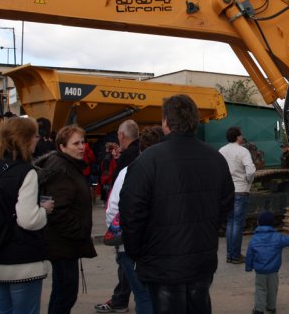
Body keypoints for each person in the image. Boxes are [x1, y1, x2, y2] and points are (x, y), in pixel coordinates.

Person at [120, 94, 235, 314]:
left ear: (166, 122)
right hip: (200, 260)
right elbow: (226, 204)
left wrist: (137, 253)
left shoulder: (146, 161)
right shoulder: (215, 159)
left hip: (162, 265)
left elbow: (131, 214)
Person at [0, 117, 55, 314]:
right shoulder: (26, 172)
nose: (37, 140)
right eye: (35, 136)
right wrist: (44, 210)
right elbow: (28, 219)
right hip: (22, 260)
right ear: (26, 139)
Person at [36, 124, 97, 314]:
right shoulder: (62, 169)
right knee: (65, 294)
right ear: (62, 147)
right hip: (64, 244)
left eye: (83, 142)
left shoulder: (66, 165)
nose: (82, 147)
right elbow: (58, 211)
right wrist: (78, 233)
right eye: (76, 143)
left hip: (65, 243)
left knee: (63, 292)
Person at [104, 126, 165, 314]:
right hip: (164, 247)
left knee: (143, 296)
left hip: (130, 248)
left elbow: (112, 212)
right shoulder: (172, 173)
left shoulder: (128, 172)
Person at [96, 120, 140, 313]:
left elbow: (117, 196)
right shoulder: (138, 153)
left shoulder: (128, 160)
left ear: (121, 136)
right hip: (137, 223)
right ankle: (120, 298)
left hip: (126, 223)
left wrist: (114, 226)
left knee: (126, 263)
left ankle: (120, 300)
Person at [245, 210, 289, 314]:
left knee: (260, 289)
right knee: (272, 289)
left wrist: (248, 267)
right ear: (272, 223)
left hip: (260, 271)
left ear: (258, 223)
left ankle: (258, 309)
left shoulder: (254, 239)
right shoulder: (277, 237)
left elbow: (249, 254)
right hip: (273, 270)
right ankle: (271, 307)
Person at [219, 126, 257, 264]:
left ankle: (230, 255)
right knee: (238, 223)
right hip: (240, 190)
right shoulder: (243, 151)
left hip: (227, 191)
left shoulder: (222, 151)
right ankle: (235, 255)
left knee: (230, 222)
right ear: (237, 137)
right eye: (241, 135)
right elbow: (251, 171)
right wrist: (248, 181)